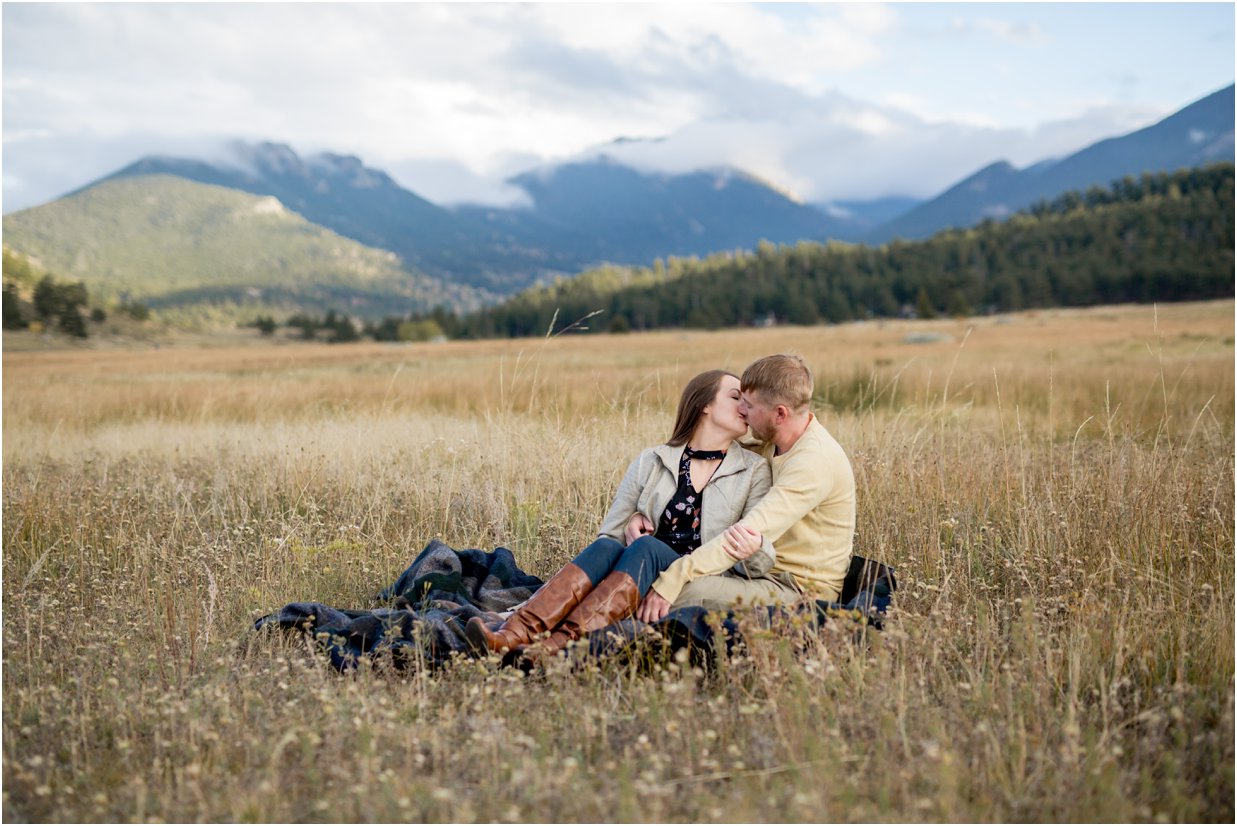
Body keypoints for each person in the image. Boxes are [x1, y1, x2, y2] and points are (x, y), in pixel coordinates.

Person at [465, 369, 775, 660]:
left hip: (694, 578)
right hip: (635, 574)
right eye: (736, 397)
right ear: (704, 405)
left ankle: (557, 647)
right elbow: (609, 535)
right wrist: (628, 528)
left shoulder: (753, 470)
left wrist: (754, 544)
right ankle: (513, 634)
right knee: (608, 547)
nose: (746, 407)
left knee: (648, 547)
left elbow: (759, 554)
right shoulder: (651, 462)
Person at [634, 353, 856, 622]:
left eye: (749, 405)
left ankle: (595, 643)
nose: (743, 412)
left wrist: (676, 576)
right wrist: (640, 509)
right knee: (645, 570)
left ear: (780, 414)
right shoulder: (773, 443)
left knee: (676, 591)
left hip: (796, 589)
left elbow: (743, 534)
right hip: (753, 571)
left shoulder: (813, 463)